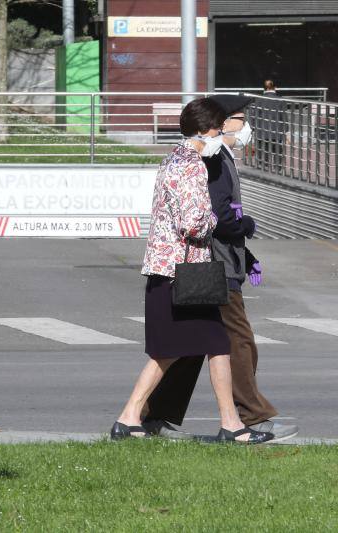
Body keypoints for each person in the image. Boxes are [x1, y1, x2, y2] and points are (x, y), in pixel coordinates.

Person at [110, 98, 272, 444]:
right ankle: (230, 426)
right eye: (216, 128)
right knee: (212, 345)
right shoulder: (193, 165)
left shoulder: (171, 158)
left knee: (174, 350)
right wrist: (225, 220)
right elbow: (194, 224)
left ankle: (130, 418)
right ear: (204, 130)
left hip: (164, 268)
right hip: (185, 269)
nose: (219, 133)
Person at [141, 95, 298, 442]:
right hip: (212, 266)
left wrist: (247, 253)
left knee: (194, 344)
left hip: (220, 260)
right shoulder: (208, 160)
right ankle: (250, 417)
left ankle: (151, 416)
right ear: (224, 124)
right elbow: (215, 215)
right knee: (235, 340)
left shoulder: (218, 156)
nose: (246, 127)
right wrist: (244, 228)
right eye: (241, 119)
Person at [258, 80, 286, 173]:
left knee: (263, 148)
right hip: (277, 130)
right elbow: (283, 116)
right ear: (275, 87)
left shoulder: (259, 99)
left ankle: (263, 166)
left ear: (264, 88)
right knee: (277, 149)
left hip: (262, 129)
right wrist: (286, 129)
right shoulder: (280, 100)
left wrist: (253, 127)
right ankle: (277, 167)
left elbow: (255, 114)